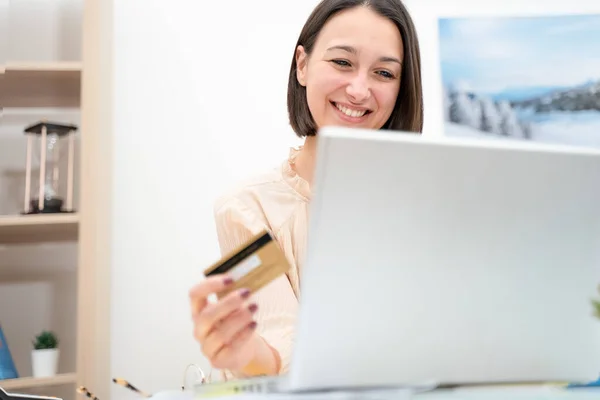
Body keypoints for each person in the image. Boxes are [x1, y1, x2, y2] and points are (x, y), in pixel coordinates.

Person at [189, 0, 423, 381]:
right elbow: (277, 338)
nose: (359, 90)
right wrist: (248, 353)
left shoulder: (427, 205)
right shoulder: (245, 209)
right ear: (302, 65)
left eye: (383, 72)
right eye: (342, 62)